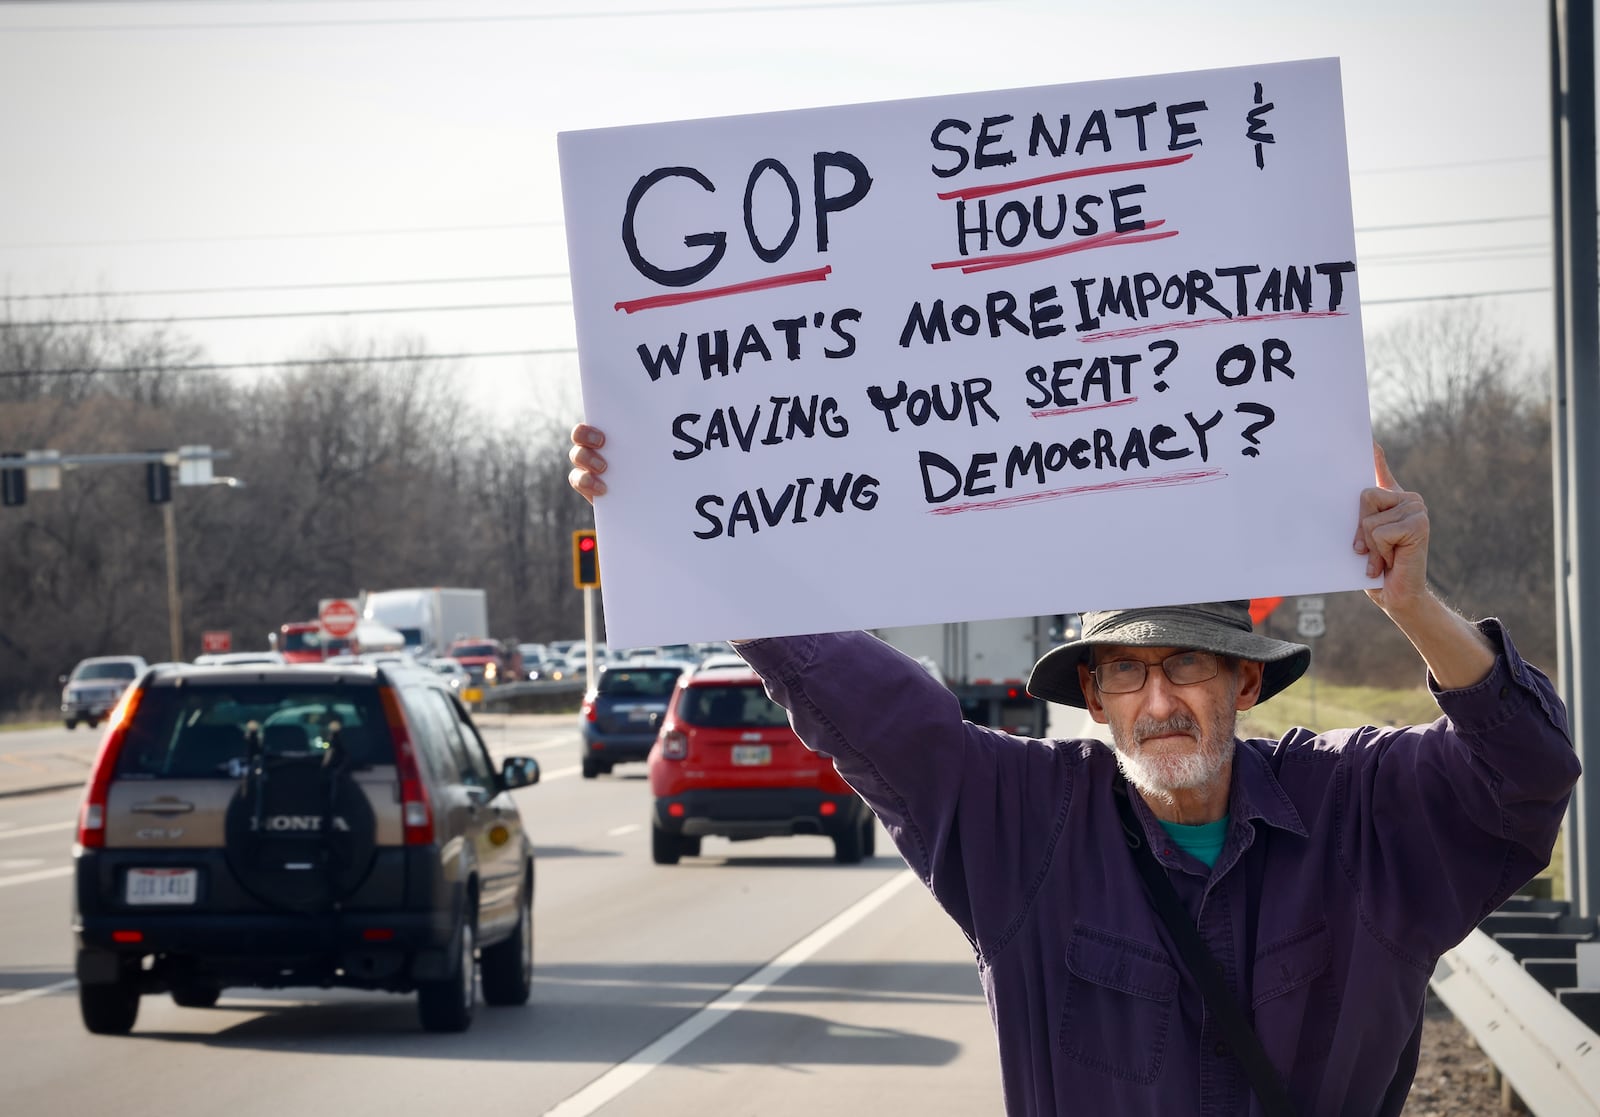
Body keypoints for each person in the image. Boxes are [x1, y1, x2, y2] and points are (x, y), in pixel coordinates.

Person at [568, 423, 1579, 1117]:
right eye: (1127, 671)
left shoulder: (1358, 807)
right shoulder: (1022, 825)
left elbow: (1526, 768)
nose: (1157, 700)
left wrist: (1413, 605)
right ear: (1091, 698)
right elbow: (868, 701)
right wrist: (683, 516)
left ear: (1244, 683)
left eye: (1185, 662)